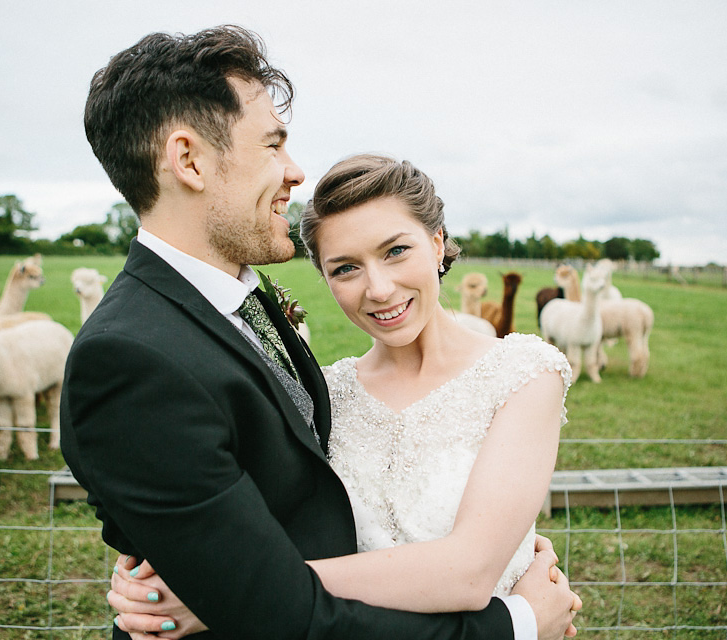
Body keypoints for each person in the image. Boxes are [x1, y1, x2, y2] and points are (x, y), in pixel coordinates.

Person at [62, 25, 578, 640]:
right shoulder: (130, 356)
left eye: (396, 252)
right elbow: (272, 602)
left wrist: (223, 585)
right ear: (189, 159)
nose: (294, 171)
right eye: (273, 145)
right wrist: (516, 625)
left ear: (437, 244)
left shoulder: (241, 304)